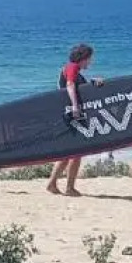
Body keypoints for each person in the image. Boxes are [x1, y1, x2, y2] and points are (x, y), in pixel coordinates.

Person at [47, 43, 104, 197]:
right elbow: (70, 85)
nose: (90, 62)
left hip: (69, 114)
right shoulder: (72, 67)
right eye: (89, 59)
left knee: (69, 153)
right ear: (83, 58)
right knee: (77, 152)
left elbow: (80, 87)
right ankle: (69, 188)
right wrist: (75, 106)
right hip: (71, 114)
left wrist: (93, 82)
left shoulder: (75, 71)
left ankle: (52, 184)